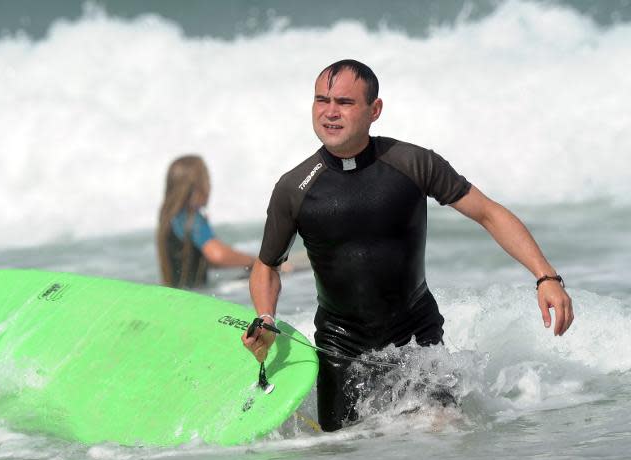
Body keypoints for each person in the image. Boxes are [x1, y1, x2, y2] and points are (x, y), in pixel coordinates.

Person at [241, 59, 574, 432]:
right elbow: (267, 265)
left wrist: (546, 277)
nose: (330, 112)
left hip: (417, 342)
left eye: (345, 103)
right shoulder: (295, 187)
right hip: (340, 350)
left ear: (374, 110)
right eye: (322, 100)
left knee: (445, 436)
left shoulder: (412, 163)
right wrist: (266, 318)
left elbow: (488, 213)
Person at [157, 155, 255, 288]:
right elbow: (217, 255)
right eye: (207, 179)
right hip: (196, 299)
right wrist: (258, 263)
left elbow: (201, 260)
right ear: (198, 187)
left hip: (178, 297)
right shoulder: (191, 219)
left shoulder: (168, 218)